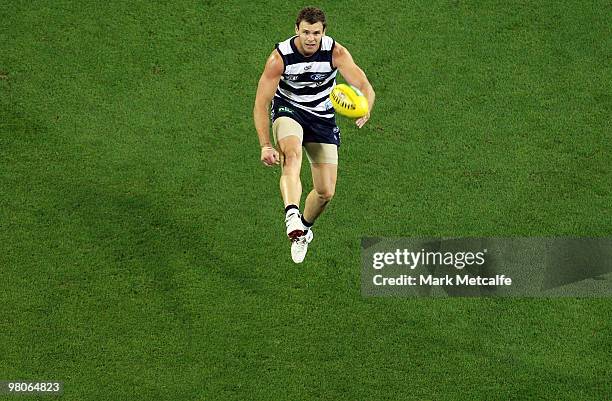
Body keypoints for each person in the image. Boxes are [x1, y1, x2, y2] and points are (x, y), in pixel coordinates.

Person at [253, 7, 375, 263]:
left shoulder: (335, 53)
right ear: (297, 30)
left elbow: (363, 84)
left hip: (321, 116)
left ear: (323, 32)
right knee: (292, 153)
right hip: (289, 109)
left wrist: (366, 107)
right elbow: (261, 103)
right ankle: (291, 214)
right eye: (306, 32)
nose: (311, 38)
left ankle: (303, 230)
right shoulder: (280, 58)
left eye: (316, 33)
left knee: (325, 192)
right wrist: (265, 145)